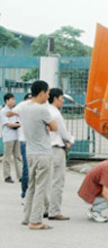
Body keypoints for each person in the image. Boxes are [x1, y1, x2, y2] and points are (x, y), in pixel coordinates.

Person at [20, 80, 57, 230]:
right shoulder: (42, 110)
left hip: (30, 152)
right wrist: (47, 126)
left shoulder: (24, 108)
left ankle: (27, 217)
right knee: (41, 187)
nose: (48, 96)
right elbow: (54, 127)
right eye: (47, 93)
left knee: (32, 186)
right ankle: (35, 221)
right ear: (41, 93)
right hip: (43, 153)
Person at [45, 88, 75, 221]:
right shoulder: (56, 114)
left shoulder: (45, 111)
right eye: (62, 98)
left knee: (46, 181)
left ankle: (46, 208)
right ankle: (54, 211)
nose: (63, 101)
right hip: (56, 149)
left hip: (45, 148)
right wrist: (71, 140)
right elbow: (64, 133)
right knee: (57, 181)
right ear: (56, 98)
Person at [1, 93, 23, 183]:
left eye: (14, 99)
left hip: (17, 136)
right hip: (8, 136)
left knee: (17, 156)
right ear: (7, 100)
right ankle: (7, 176)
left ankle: (20, 175)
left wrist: (18, 124)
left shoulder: (15, 111)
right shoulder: (3, 111)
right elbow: (8, 124)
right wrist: (19, 124)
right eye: (12, 99)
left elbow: (19, 120)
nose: (14, 101)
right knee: (7, 157)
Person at [15, 93, 32, 201]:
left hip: (34, 143)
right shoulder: (21, 107)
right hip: (25, 142)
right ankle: (24, 193)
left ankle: (31, 193)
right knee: (27, 169)